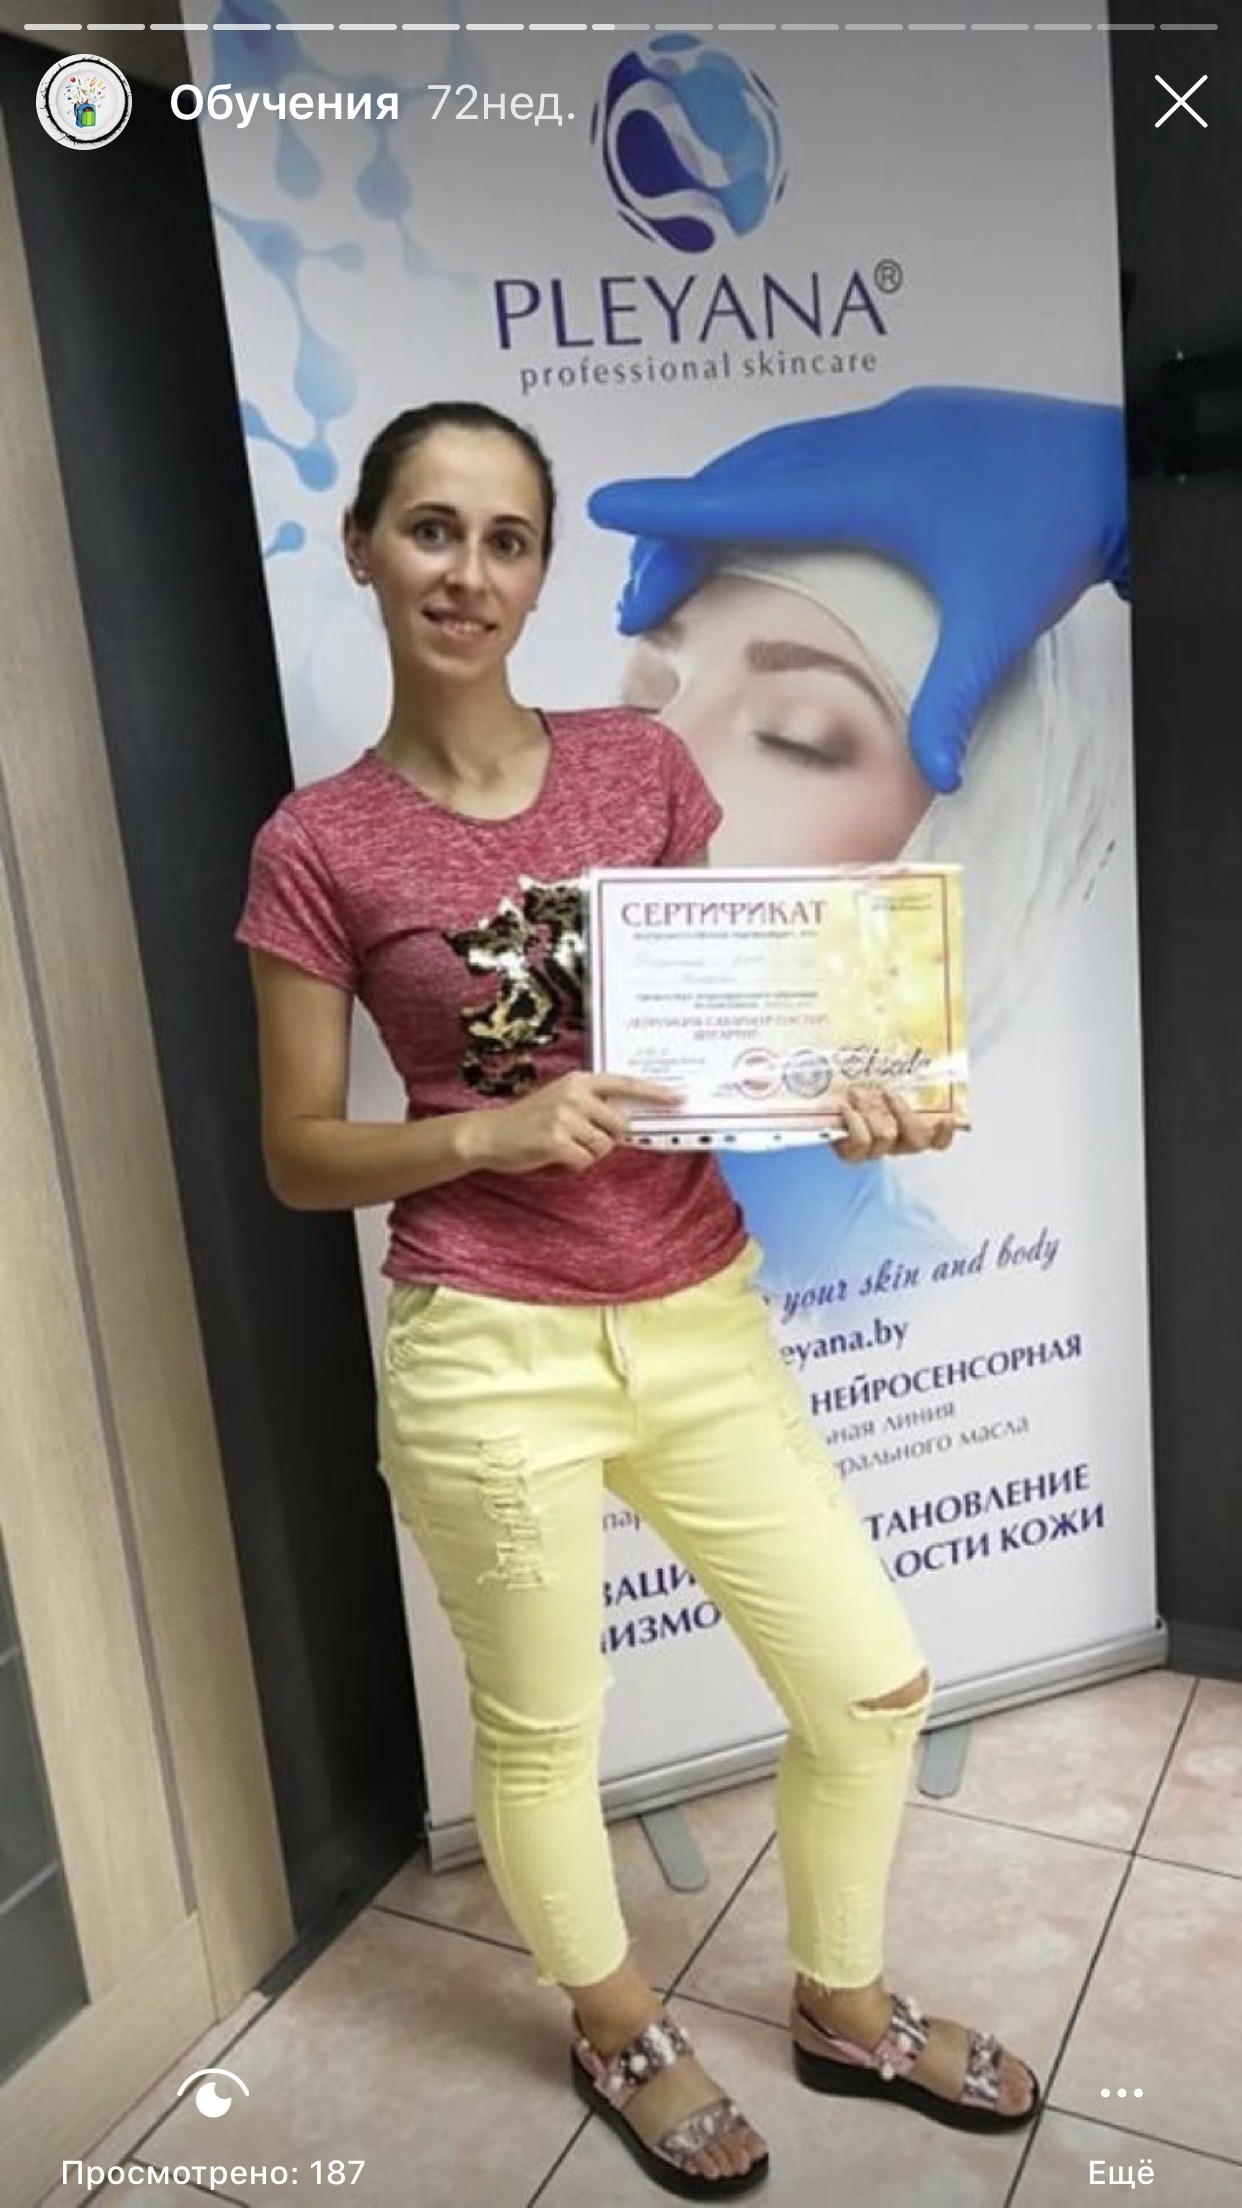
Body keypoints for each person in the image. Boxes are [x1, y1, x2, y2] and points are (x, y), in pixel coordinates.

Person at [237, 400, 1040, 2199]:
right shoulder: (317, 841)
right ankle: (615, 2024)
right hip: (486, 1348)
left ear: (541, 573)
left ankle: (840, 2003)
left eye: (506, 538)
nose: (468, 571)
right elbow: (296, 1154)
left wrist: (855, 1095)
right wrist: (486, 1132)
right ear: (364, 547)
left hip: (698, 1311)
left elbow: (729, 1027)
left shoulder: (635, 767)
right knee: (544, 1736)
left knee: (870, 1685)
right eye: (430, 529)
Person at [589, 397, 1131, 1297]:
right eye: (647, 696)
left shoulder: (920, 1281)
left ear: (981, 838)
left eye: (797, 735)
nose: (656, 759)